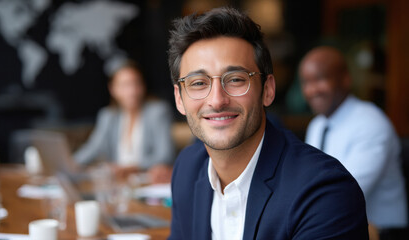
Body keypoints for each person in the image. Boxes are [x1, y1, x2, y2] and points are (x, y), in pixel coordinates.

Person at [167, 7, 368, 240]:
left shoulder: (325, 192)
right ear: (179, 99)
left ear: (268, 90)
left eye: (235, 79)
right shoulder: (187, 169)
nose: (217, 100)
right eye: (198, 83)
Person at [299, 46, 408, 237]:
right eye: (306, 82)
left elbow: (344, 193)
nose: (312, 90)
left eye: (321, 79)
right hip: (335, 225)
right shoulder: (317, 125)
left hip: (382, 232)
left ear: (345, 79)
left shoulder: (371, 123)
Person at [74, 61, 174, 183]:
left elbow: (164, 155)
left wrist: (131, 168)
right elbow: (93, 148)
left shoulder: (157, 112)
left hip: (146, 181)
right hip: (118, 182)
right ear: (113, 89)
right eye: (125, 85)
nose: (132, 91)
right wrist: (70, 163)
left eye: (136, 83)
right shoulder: (108, 116)